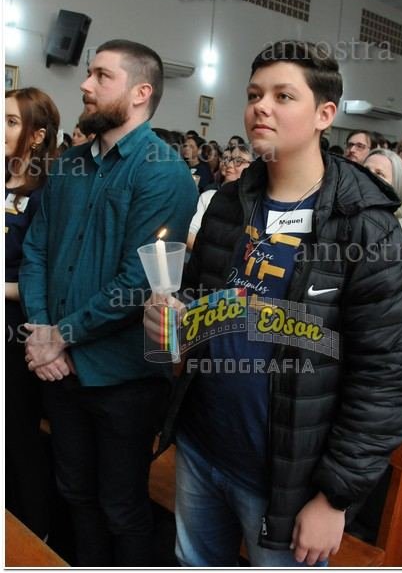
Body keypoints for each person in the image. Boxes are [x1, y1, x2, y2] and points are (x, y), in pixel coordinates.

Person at [145, 40, 402, 567]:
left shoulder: (364, 225)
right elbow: (204, 303)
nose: (261, 107)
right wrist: (173, 319)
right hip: (204, 445)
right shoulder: (231, 202)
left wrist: (334, 497)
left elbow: (386, 375)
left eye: (283, 96)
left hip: (286, 477)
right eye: (254, 94)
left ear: (324, 114)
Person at [19, 39, 198, 567]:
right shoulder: (70, 164)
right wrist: (43, 331)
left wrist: (60, 336)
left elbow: (139, 281)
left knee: (122, 506)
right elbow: (36, 252)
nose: (85, 85)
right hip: (60, 369)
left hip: (123, 379)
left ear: (140, 93)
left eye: (101, 76)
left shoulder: (162, 171)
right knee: (74, 491)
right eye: (88, 73)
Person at [5, 87, 59, 539]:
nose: (0, 129)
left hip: (18, 325)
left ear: (37, 135)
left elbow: (46, 275)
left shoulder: (45, 193)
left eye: (10, 121)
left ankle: (35, 533)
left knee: (17, 433)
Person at [187, 145, 252, 250]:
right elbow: (190, 233)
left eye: (238, 161)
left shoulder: (256, 203)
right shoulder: (209, 196)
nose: (229, 165)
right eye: (227, 160)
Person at [364, 148, 402, 254]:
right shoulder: (343, 218)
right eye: (365, 170)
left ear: (397, 184)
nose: (368, 176)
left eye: (379, 173)